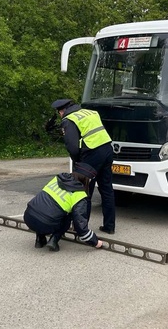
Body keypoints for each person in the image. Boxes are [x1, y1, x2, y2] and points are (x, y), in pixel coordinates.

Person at [51, 98, 116, 234]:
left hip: (92, 154)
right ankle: (109, 226)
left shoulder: (69, 120)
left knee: (83, 192)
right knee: (107, 190)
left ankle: (81, 228)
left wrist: (77, 163)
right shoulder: (91, 112)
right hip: (107, 150)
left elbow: (72, 147)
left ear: (62, 111)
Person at [23, 162, 104, 252]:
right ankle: (53, 240)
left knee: (44, 208)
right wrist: (95, 242)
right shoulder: (79, 195)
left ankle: (39, 240)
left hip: (28, 216)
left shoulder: (58, 179)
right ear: (86, 180)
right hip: (46, 224)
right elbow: (80, 226)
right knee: (67, 217)